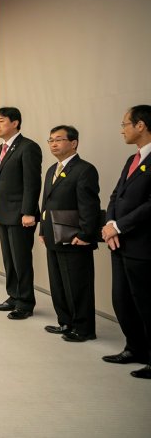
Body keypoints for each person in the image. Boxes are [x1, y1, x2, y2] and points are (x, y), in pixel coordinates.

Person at [101, 105, 151, 378]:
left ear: (140, 125)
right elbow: (115, 196)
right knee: (122, 300)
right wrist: (110, 224)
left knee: (145, 302)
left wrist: (119, 225)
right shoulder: (132, 159)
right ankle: (135, 348)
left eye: (125, 124)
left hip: (142, 244)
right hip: (118, 242)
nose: (122, 129)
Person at [39, 125, 100, 343]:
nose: (53, 144)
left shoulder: (84, 169)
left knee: (77, 284)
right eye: (50, 140)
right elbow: (45, 203)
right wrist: (42, 229)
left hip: (74, 236)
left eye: (58, 139)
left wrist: (85, 234)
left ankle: (83, 328)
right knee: (58, 282)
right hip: (53, 233)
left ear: (73, 143)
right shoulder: (50, 170)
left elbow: (89, 206)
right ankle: (65, 321)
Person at [0, 107, 42, 320]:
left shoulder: (28, 147)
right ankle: (13, 296)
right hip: (4, 212)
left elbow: (32, 183)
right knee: (9, 259)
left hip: (21, 214)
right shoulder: (0, 148)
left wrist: (28, 212)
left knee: (21, 259)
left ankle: (26, 302)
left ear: (16, 123)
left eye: (1, 121)